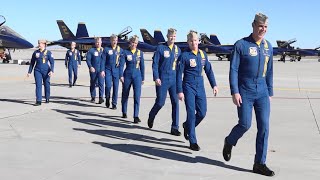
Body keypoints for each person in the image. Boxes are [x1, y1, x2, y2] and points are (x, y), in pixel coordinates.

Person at [222, 13, 275, 176]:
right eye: (260, 26)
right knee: (245, 124)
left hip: (262, 92)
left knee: (264, 127)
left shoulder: (268, 47)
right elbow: (234, 69)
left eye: (265, 27)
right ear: (253, 25)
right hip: (245, 90)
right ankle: (230, 141)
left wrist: (270, 91)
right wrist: (234, 91)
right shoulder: (241, 45)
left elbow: (270, 70)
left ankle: (259, 163)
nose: (263, 29)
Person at [176, 30, 218, 151]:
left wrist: (214, 85)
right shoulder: (184, 56)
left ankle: (187, 126)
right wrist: (180, 91)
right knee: (190, 113)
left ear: (198, 41)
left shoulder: (203, 54)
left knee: (202, 112)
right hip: (188, 86)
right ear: (188, 42)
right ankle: (192, 141)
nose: (194, 42)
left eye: (195, 40)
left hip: (200, 86)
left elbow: (209, 70)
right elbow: (179, 75)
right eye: (191, 40)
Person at [148, 28, 182, 136]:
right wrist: (156, 77)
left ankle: (174, 127)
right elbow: (155, 64)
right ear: (167, 36)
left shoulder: (178, 50)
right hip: (162, 78)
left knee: (175, 103)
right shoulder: (160, 48)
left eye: (174, 36)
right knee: (160, 102)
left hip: (174, 79)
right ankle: (152, 115)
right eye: (171, 36)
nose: (172, 38)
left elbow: (180, 66)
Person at [120, 35, 145, 124]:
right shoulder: (125, 52)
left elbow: (142, 66)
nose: (134, 44)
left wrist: (143, 78)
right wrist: (121, 75)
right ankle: (124, 111)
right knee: (125, 94)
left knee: (137, 96)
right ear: (129, 43)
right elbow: (121, 65)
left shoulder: (140, 53)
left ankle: (136, 115)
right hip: (127, 75)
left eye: (135, 43)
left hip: (137, 76)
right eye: (132, 42)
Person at [27, 39, 54, 105]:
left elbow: (52, 62)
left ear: (44, 44)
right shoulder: (36, 53)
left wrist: (52, 71)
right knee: (38, 85)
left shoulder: (48, 53)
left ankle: (47, 97)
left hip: (46, 71)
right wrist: (29, 72)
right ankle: (38, 100)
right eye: (39, 43)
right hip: (37, 70)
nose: (39, 45)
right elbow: (32, 62)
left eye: (41, 43)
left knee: (46, 84)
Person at [101, 34, 123, 109]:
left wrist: (121, 74)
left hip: (116, 70)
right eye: (113, 40)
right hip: (108, 70)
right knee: (108, 86)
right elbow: (103, 60)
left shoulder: (120, 50)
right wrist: (102, 70)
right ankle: (107, 98)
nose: (115, 42)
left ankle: (114, 103)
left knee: (116, 88)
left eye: (116, 40)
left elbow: (122, 62)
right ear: (110, 41)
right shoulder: (106, 49)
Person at [86, 37, 104, 104]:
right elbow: (88, 60)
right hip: (93, 70)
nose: (98, 43)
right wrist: (90, 67)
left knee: (101, 84)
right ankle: (93, 97)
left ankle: (101, 98)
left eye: (99, 42)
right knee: (93, 83)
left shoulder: (103, 51)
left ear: (101, 42)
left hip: (101, 70)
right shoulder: (91, 51)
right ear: (95, 43)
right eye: (97, 42)